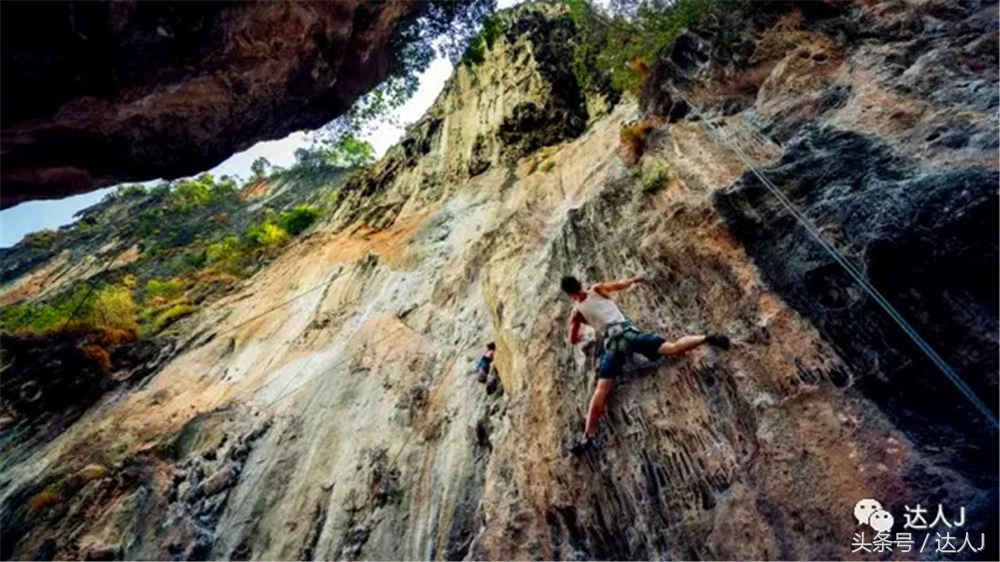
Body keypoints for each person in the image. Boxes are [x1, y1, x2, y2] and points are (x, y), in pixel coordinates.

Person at [561, 274, 730, 454]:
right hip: (629, 334)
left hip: (614, 344)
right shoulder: (596, 290)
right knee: (672, 348)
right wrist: (635, 279)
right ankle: (707, 338)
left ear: (569, 294)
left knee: (601, 390)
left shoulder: (576, 313)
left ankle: (588, 436)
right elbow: (620, 284)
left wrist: (585, 331)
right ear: (580, 283)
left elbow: (572, 339)